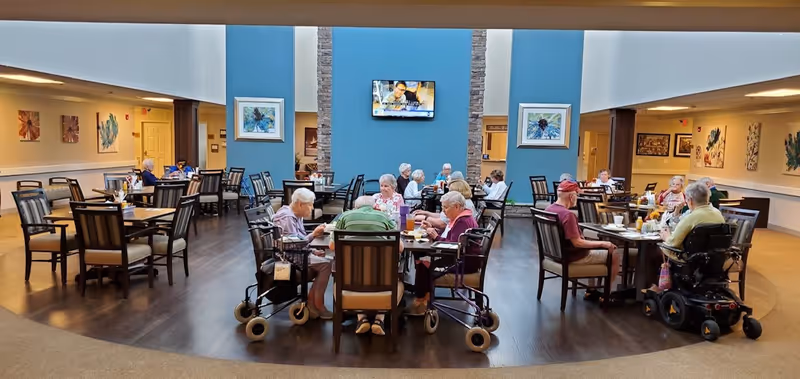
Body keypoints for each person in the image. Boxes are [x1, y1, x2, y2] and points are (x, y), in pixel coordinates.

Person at [329, 196, 404, 335]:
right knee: (393, 273)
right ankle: (379, 319)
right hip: (382, 281)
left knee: (355, 273)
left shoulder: (345, 217)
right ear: (374, 206)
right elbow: (399, 247)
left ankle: (361, 318)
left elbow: (332, 245)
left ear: (355, 207)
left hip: (350, 281)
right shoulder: (384, 217)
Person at [545, 181, 621, 300]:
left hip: (555, 255)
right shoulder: (568, 215)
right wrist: (603, 243)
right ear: (571, 196)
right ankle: (607, 294)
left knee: (594, 247)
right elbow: (578, 243)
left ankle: (591, 290)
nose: (577, 197)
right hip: (572, 257)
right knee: (615, 253)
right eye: (577, 194)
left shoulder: (549, 209)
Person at [409, 192, 481, 315]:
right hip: (463, 258)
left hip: (462, 263)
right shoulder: (463, 217)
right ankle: (424, 296)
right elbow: (451, 237)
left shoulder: (463, 221)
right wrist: (432, 230)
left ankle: (421, 302)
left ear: (457, 206)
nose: (444, 211)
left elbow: (452, 246)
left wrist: (436, 236)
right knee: (422, 256)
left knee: (423, 260)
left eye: (446, 208)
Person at [271, 188, 333, 320]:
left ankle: (311, 302)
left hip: (296, 254)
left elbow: (297, 240)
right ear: (300, 204)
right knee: (327, 264)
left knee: (327, 259)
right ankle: (318, 305)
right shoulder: (287, 217)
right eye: (310, 204)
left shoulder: (295, 215)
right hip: (289, 259)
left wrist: (313, 250)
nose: (311, 208)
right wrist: (314, 234)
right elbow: (292, 244)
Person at [659, 182, 725, 262]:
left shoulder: (690, 217)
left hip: (691, 260)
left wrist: (666, 237)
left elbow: (673, 243)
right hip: (715, 259)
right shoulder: (718, 213)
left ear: (689, 201)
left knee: (663, 246)